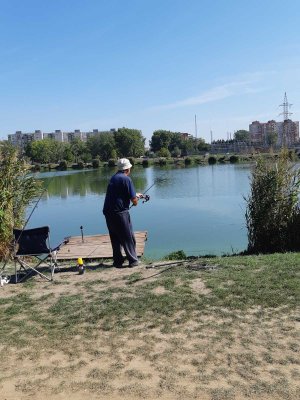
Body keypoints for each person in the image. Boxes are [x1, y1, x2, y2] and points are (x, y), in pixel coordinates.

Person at [103, 158, 142, 268]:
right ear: (127, 169)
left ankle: (118, 261)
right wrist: (135, 201)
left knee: (115, 237)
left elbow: (121, 193)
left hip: (108, 212)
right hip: (120, 213)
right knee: (127, 236)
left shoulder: (114, 177)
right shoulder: (126, 179)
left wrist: (135, 195)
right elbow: (134, 200)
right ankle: (133, 261)